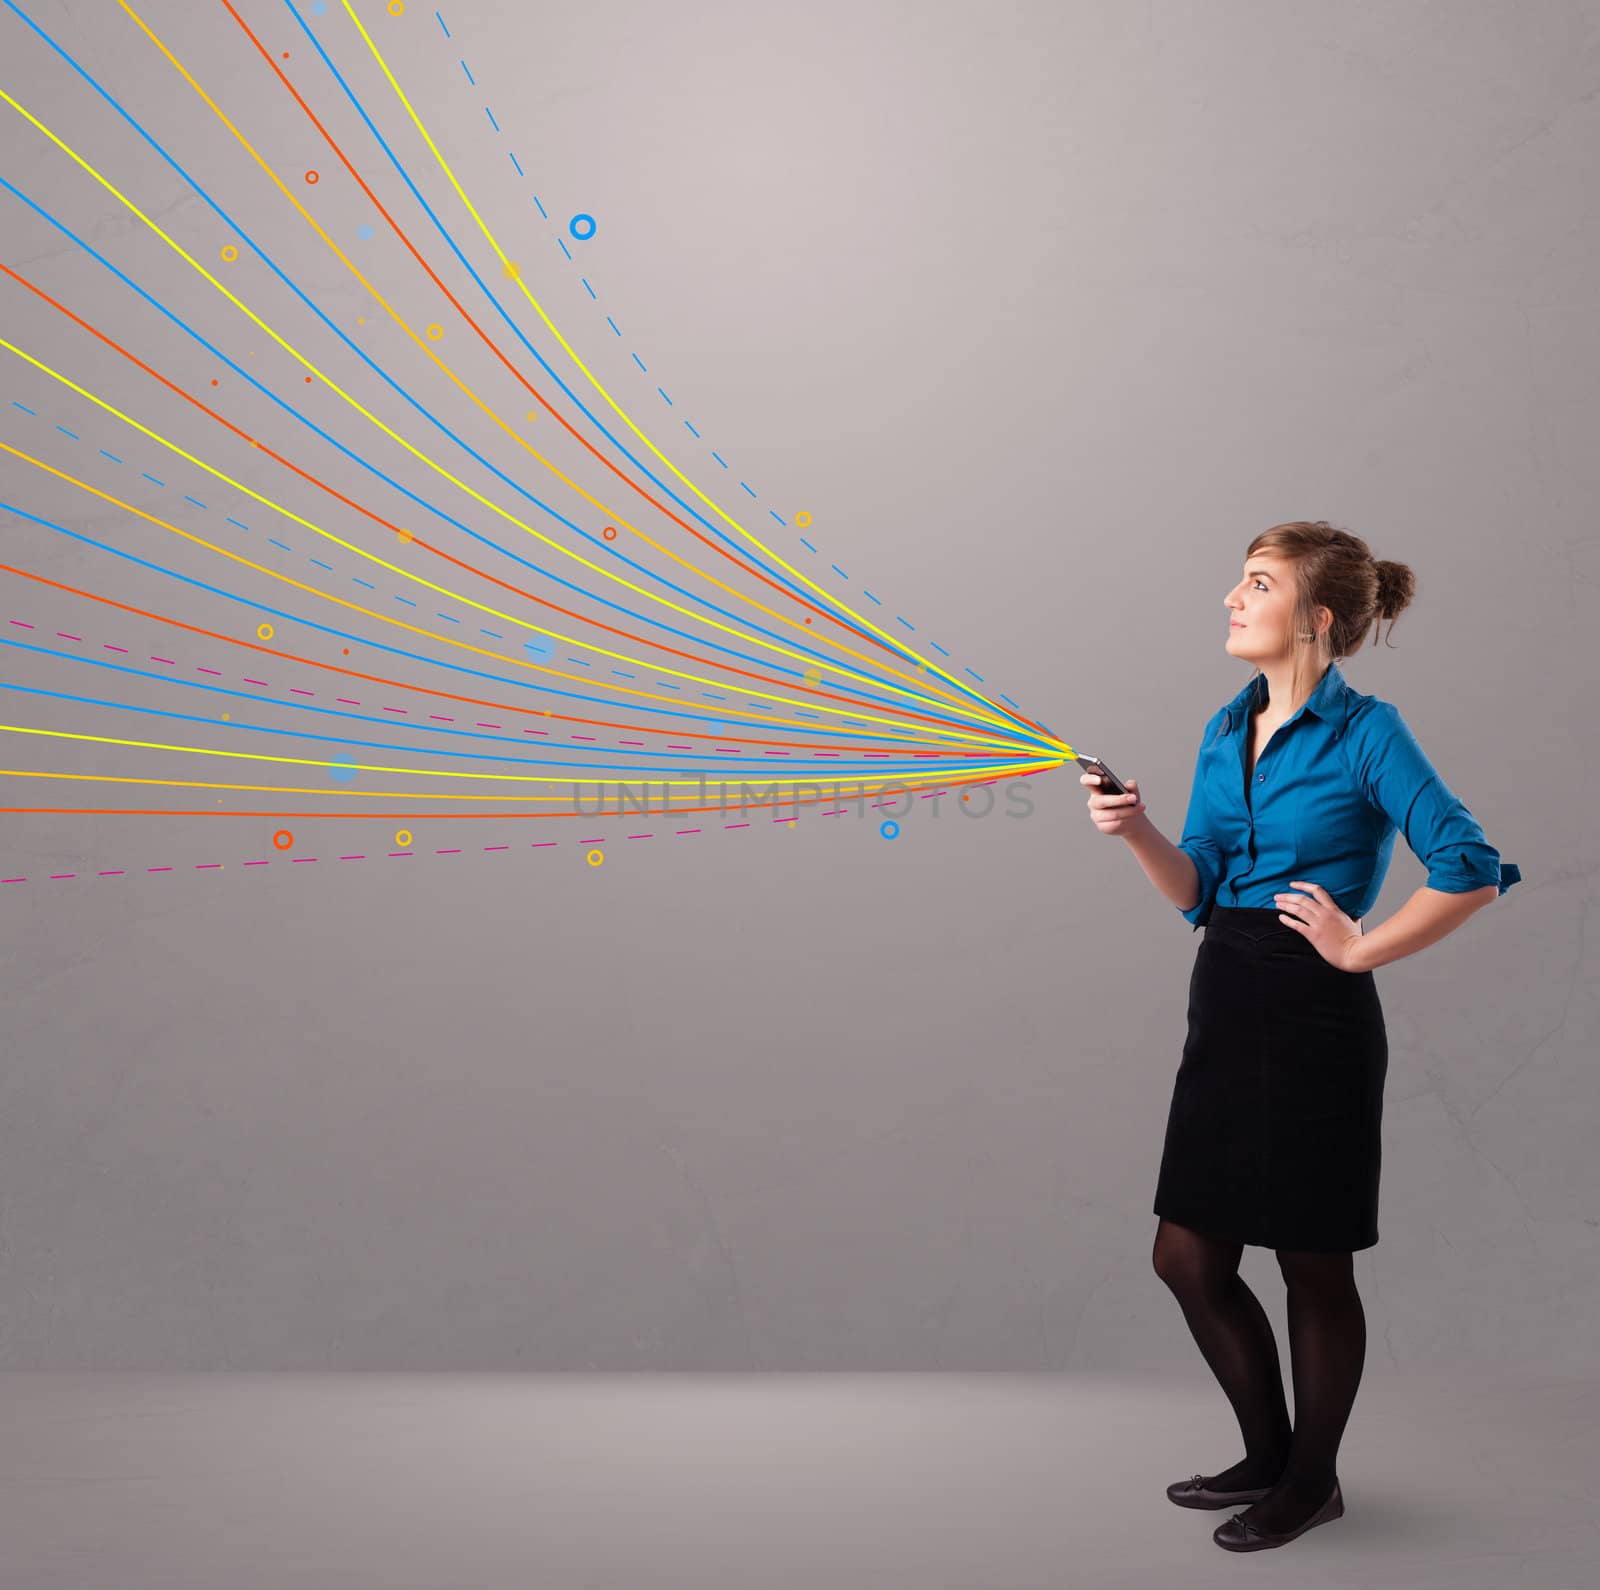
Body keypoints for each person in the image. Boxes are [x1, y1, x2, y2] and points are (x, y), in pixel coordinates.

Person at [1080, 520, 1519, 1553]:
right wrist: (1134, 829)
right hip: (1225, 997)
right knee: (1186, 1256)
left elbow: (1468, 864)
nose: (1232, 599)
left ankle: (1311, 1482)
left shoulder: (1370, 733)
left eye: (1257, 583)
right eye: (1238, 580)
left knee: (1311, 1264)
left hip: (1313, 1016)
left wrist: (1361, 951)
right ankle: (1270, 1455)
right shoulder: (1221, 725)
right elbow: (1197, 890)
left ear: (1316, 619)